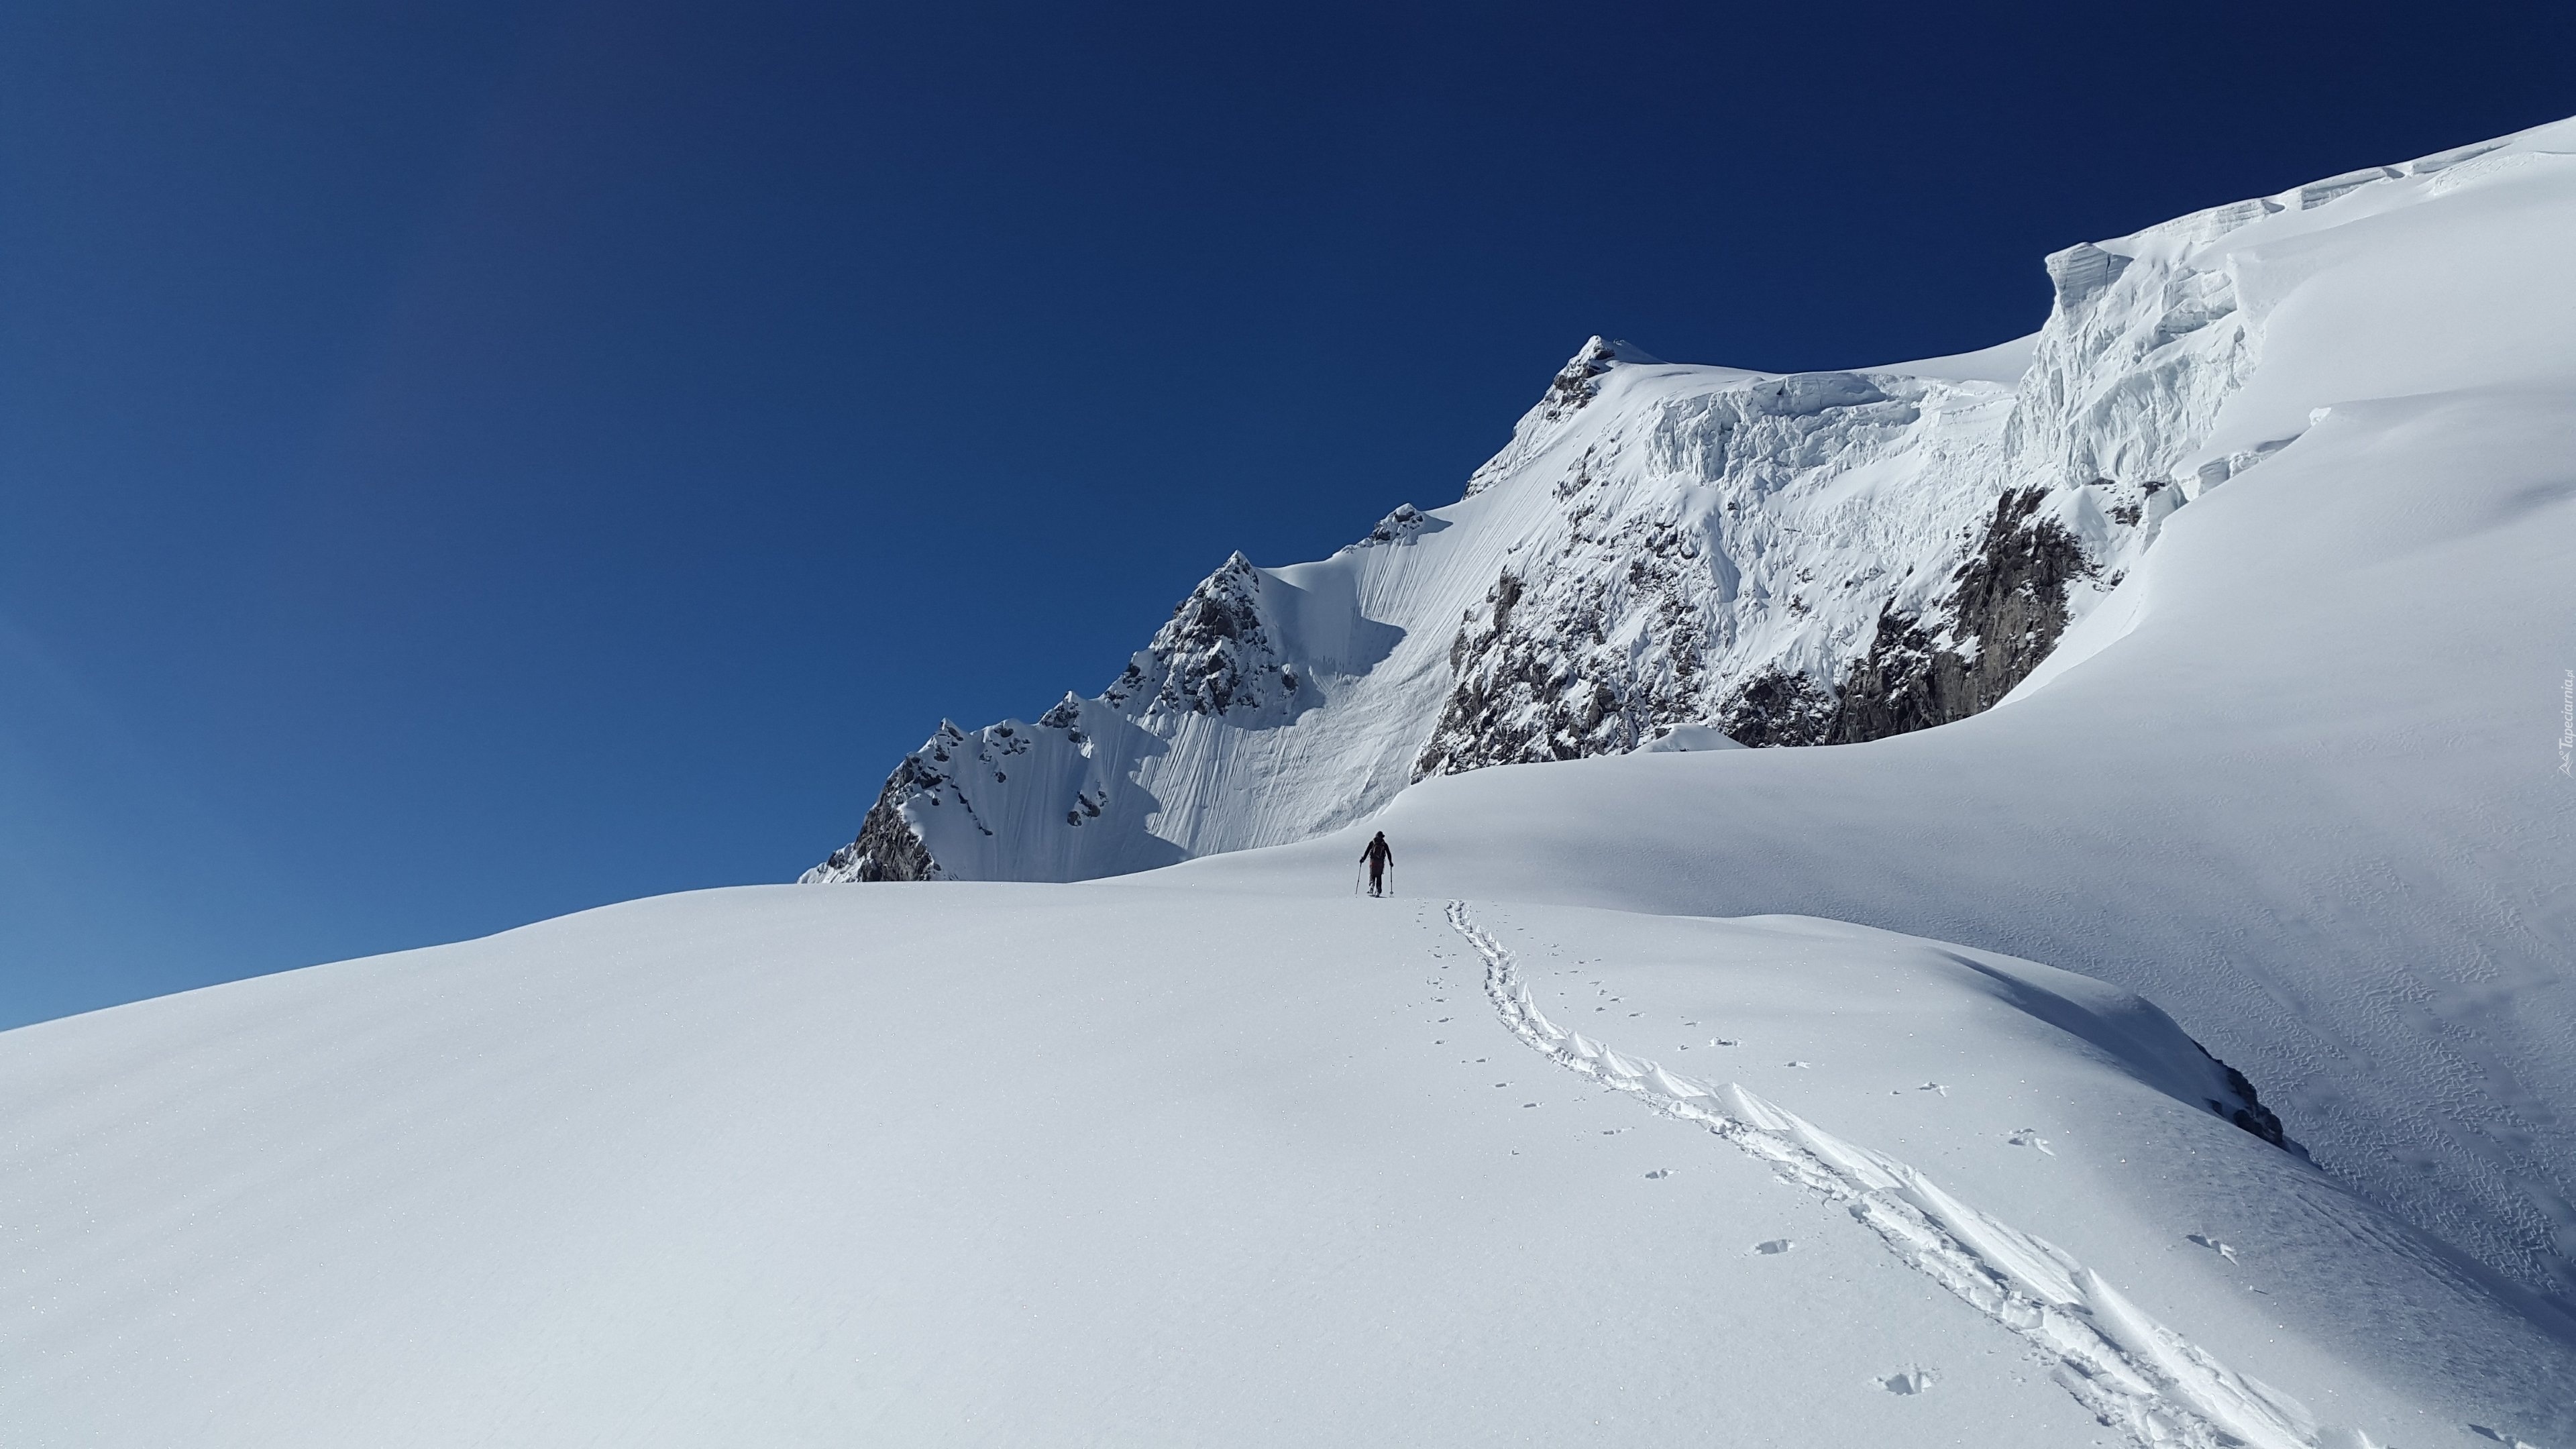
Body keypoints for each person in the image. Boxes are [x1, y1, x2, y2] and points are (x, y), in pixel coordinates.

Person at [1360, 831, 1393, 897]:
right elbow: (1389, 853)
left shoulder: (1372, 843)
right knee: (1379, 876)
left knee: (1372, 874)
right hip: (1380, 862)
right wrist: (1390, 862)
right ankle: (1378, 890)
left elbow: (1367, 851)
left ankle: (1372, 885)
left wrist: (1363, 859)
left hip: (1373, 861)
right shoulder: (1384, 844)